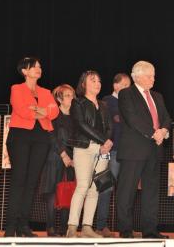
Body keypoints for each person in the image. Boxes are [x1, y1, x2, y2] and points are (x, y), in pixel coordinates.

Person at [4, 57, 59, 237]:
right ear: (24, 71)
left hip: (41, 137)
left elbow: (55, 111)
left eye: (39, 66)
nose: (38, 69)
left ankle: (23, 225)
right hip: (20, 136)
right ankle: (11, 226)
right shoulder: (16, 88)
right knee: (19, 180)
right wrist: (42, 111)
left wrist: (41, 110)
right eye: (34, 67)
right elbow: (21, 110)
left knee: (32, 182)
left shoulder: (46, 91)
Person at [117, 61, 171, 239]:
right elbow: (132, 119)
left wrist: (164, 130)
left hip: (154, 151)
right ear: (137, 76)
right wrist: (153, 133)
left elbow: (166, 118)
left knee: (152, 192)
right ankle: (126, 230)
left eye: (154, 75)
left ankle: (150, 231)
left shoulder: (158, 96)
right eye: (149, 76)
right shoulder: (126, 94)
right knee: (127, 191)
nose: (153, 79)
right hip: (133, 150)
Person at [66, 71, 113, 238]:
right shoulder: (77, 102)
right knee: (83, 185)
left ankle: (87, 227)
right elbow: (81, 125)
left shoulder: (104, 105)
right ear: (83, 84)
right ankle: (72, 227)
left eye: (99, 80)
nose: (98, 83)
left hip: (103, 150)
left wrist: (106, 143)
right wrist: (103, 140)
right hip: (84, 148)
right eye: (93, 80)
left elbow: (109, 127)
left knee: (96, 188)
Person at [95, 73, 131, 237]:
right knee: (106, 188)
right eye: (124, 84)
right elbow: (107, 124)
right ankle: (101, 225)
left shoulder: (130, 102)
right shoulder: (107, 101)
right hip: (111, 151)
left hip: (128, 152)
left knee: (126, 190)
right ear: (115, 85)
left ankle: (125, 227)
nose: (127, 88)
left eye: (128, 86)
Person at [39, 84, 76, 237]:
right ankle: (51, 227)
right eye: (67, 95)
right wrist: (63, 155)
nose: (71, 98)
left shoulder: (75, 116)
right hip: (55, 157)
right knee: (52, 193)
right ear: (59, 99)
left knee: (68, 191)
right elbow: (51, 136)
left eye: (72, 95)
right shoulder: (53, 114)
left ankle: (64, 228)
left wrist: (73, 157)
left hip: (72, 159)